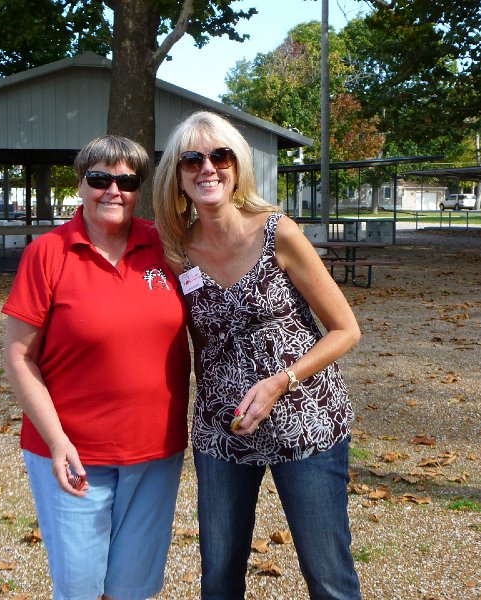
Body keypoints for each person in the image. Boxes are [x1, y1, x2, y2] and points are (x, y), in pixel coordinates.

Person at [153, 112, 363, 600]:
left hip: (303, 422)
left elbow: (346, 329)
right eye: (192, 159)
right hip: (222, 432)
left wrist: (279, 381)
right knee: (219, 576)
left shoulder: (278, 233)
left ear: (236, 165)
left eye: (220, 155)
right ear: (178, 177)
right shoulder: (176, 252)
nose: (208, 168)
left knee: (327, 575)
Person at [2, 135, 190, 600]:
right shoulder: (48, 252)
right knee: (82, 587)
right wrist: (57, 440)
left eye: (126, 181)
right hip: (74, 451)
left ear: (139, 189)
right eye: (100, 178)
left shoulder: (165, 245)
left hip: (156, 449)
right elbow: (19, 356)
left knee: (132, 588)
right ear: (80, 183)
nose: (113, 190)